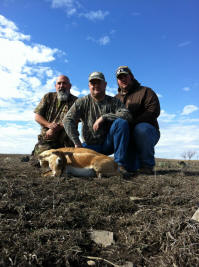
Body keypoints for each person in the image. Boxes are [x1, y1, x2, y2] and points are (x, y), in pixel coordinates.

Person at [63, 71, 132, 176]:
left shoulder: (114, 101)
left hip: (108, 144)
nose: (96, 85)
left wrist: (104, 117)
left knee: (121, 123)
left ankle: (119, 166)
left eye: (99, 82)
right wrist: (77, 143)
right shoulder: (82, 102)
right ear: (89, 86)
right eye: (93, 83)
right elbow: (67, 120)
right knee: (72, 163)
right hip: (89, 146)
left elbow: (127, 115)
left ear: (105, 84)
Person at [115, 66, 160, 174]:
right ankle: (120, 165)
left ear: (131, 77)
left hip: (146, 132)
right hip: (127, 136)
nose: (123, 79)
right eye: (120, 78)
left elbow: (154, 111)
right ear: (118, 81)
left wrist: (133, 122)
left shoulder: (146, 91)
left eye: (125, 76)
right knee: (131, 167)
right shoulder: (115, 98)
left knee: (141, 129)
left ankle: (147, 165)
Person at [32, 75, 78, 156]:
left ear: (70, 86)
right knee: (40, 160)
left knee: (70, 162)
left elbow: (75, 120)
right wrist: (49, 125)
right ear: (55, 86)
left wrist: (55, 128)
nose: (61, 86)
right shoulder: (48, 97)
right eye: (59, 83)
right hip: (48, 137)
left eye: (64, 83)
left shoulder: (76, 101)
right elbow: (37, 117)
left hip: (67, 140)